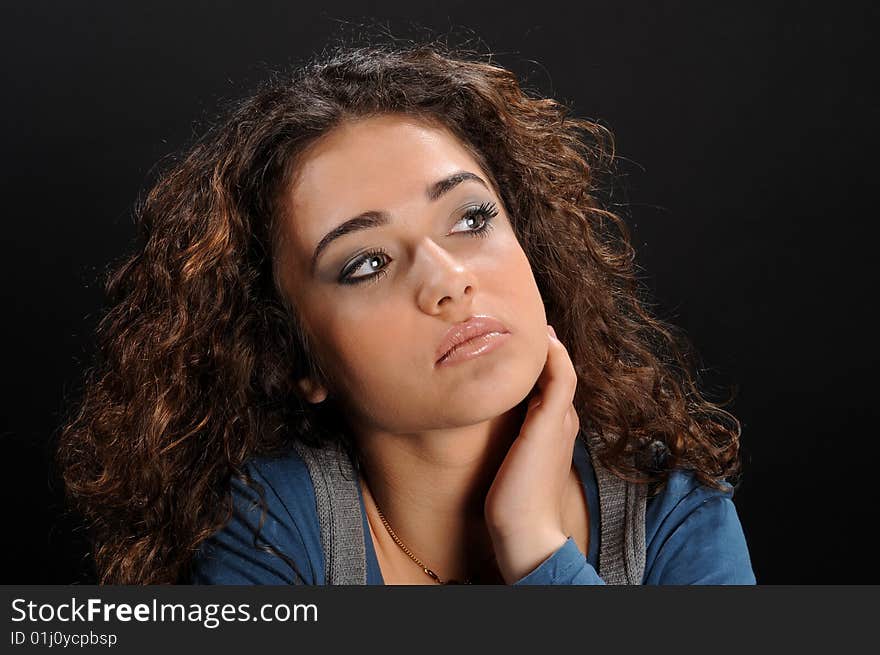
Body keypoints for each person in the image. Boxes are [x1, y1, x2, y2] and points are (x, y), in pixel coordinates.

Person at [56, 41, 756, 585]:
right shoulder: (270, 526)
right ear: (298, 357)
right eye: (366, 262)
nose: (447, 280)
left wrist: (534, 545)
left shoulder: (674, 509)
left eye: (472, 218)